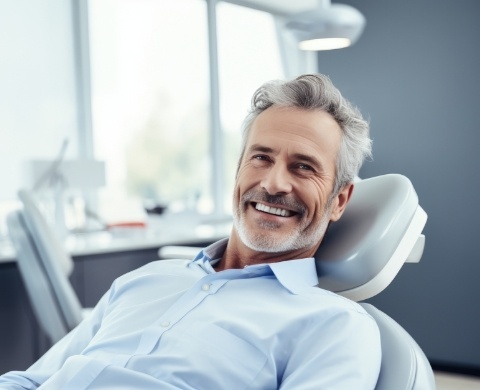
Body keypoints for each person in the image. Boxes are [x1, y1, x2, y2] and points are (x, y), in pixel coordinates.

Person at [0, 74, 381, 389]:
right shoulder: (142, 280)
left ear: (339, 201)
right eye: (261, 157)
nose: (274, 183)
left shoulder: (335, 327)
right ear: (238, 168)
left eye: (303, 167)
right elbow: (30, 380)